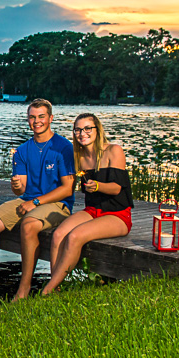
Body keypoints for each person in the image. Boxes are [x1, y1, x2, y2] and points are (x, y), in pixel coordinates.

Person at [0, 98, 75, 303]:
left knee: (28, 225)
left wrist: (35, 203)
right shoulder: (22, 150)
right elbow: (21, 190)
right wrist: (17, 186)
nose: (37, 121)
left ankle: (24, 287)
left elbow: (67, 188)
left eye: (41, 116)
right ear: (28, 119)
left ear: (50, 118)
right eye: (32, 117)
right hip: (29, 200)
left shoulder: (64, 147)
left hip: (57, 204)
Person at [42, 113, 133, 295]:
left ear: (97, 130)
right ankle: (57, 286)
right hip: (92, 210)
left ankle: (48, 289)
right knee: (59, 234)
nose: (82, 133)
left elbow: (116, 188)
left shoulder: (114, 151)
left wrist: (97, 186)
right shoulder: (81, 158)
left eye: (87, 128)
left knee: (75, 236)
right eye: (77, 130)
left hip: (117, 214)